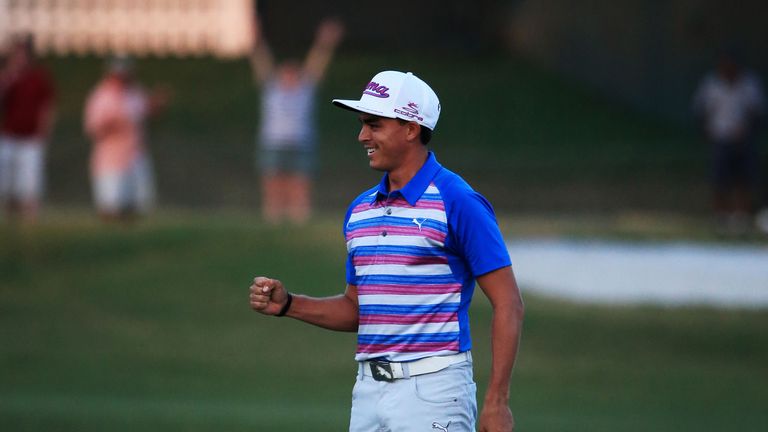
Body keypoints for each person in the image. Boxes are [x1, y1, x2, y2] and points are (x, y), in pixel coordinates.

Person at [249, 70, 524, 431]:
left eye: (374, 125)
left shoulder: (457, 201)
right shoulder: (360, 211)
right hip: (367, 392)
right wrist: (289, 305)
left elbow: (508, 303)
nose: (362, 135)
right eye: (363, 124)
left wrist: (497, 401)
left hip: (435, 391)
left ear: (411, 128)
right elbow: (357, 310)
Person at [250, 18, 344, 224]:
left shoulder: (305, 90)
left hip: (301, 142)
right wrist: (256, 37)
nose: (290, 75)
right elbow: (260, 58)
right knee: (273, 184)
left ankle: (299, 219)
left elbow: (317, 62)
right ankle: (273, 219)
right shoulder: (271, 89)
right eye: (286, 71)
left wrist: (325, 42)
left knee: (300, 184)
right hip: (273, 141)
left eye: (294, 72)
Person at [83, 57, 168, 223]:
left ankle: (130, 231)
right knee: (111, 205)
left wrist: (157, 104)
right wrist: (116, 123)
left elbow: (145, 112)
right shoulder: (101, 96)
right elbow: (93, 128)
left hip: (135, 154)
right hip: (111, 158)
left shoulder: (134, 93)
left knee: (138, 203)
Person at [692, 49, 766, 233]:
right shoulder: (711, 83)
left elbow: (757, 112)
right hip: (720, 138)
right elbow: (702, 110)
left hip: (743, 138)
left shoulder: (749, 84)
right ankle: (721, 217)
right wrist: (707, 132)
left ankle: (741, 217)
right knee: (719, 179)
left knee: (744, 178)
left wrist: (748, 131)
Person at [0, 35, 56, 223]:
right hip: (9, 136)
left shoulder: (39, 77)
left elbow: (47, 107)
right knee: (7, 182)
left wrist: (44, 132)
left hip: (31, 138)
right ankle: (9, 219)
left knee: (30, 185)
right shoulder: (8, 77)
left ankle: (30, 219)